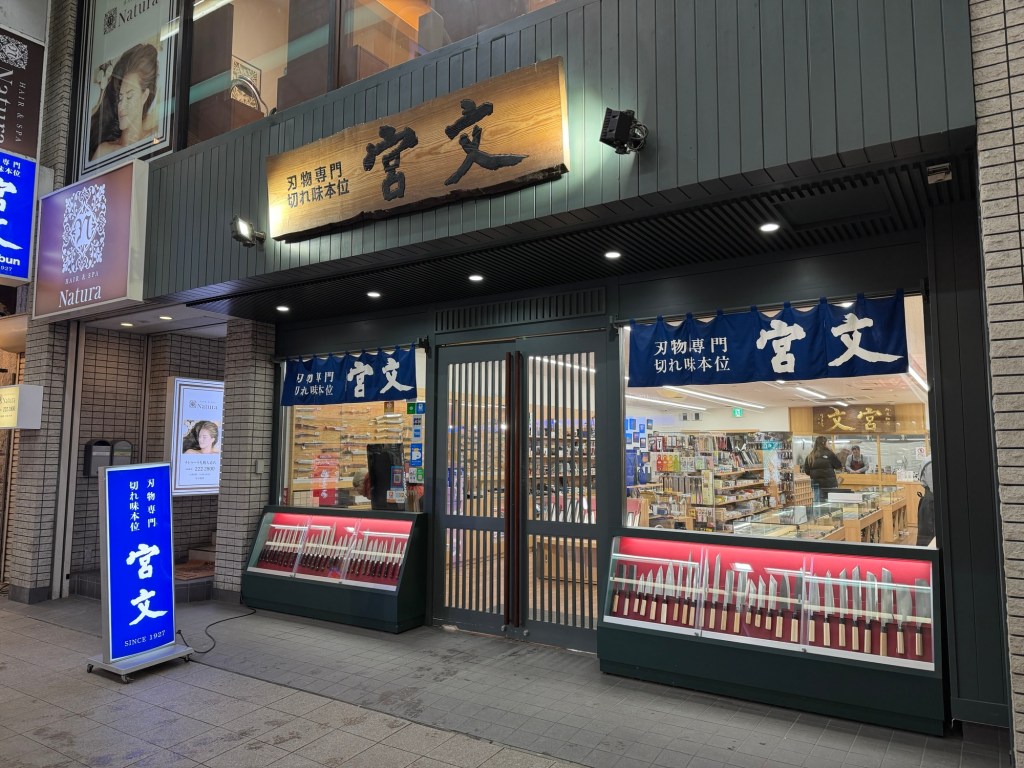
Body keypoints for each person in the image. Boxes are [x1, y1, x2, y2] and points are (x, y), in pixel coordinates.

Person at [89, 43, 159, 161]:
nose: (121, 106)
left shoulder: (154, 138)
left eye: (129, 96)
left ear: (144, 96)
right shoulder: (104, 151)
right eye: (120, 98)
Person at [803, 435, 842, 502]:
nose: (829, 444)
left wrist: (816, 474)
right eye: (828, 443)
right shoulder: (830, 454)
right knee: (832, 504)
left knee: (818, 504)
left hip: (816, 485)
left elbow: (807, 471)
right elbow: (838, 466)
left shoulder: (810, 456)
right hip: (830, 485)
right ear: (824, 443)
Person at [917, 458, 935, 547]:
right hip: (931, 504)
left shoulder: (929, 460)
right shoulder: (931, 461)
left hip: (931, 501)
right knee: (928, 539)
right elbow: (934, 487)